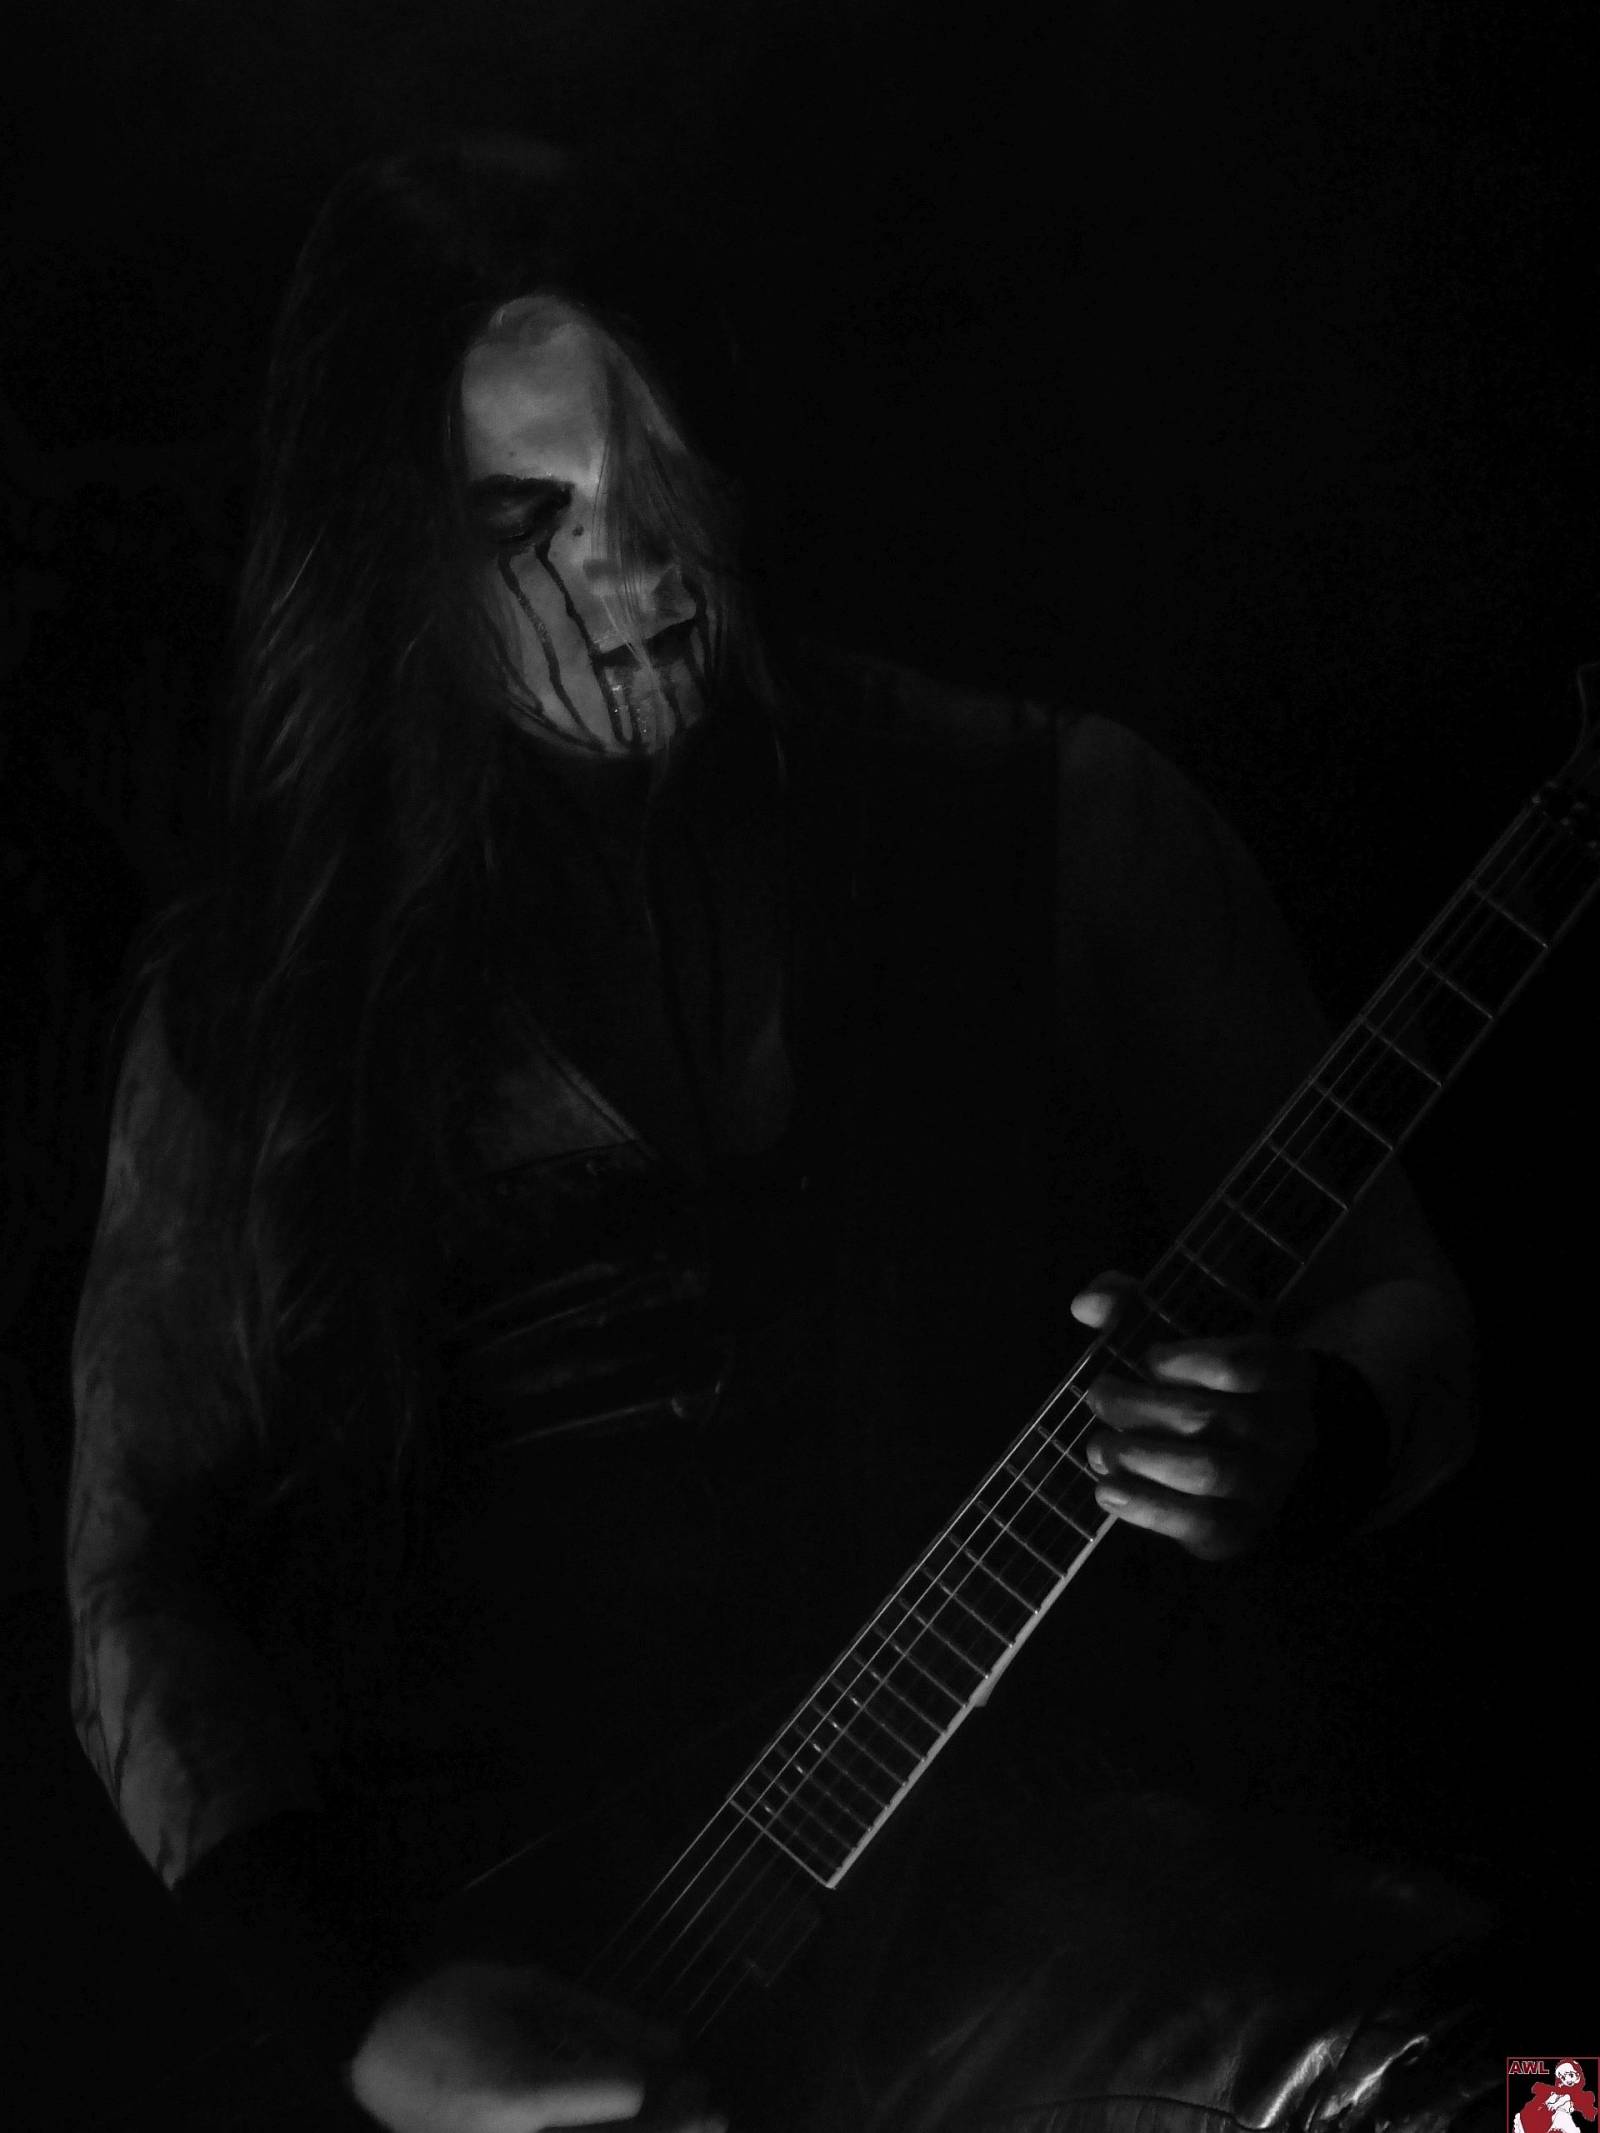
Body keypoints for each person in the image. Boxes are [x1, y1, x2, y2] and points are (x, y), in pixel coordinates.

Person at [66, 138, 1487, 2132]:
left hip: (1090, 1963)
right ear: (384, 553)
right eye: (524, 517)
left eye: (662, 473)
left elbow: (1407, 1315)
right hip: (581, 2023)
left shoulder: (1058, 821)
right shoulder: (262, 1003)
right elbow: (141, 1573)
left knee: (1533, 2095)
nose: (636, 566)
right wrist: (364, 2008)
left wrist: (1307, 1429)